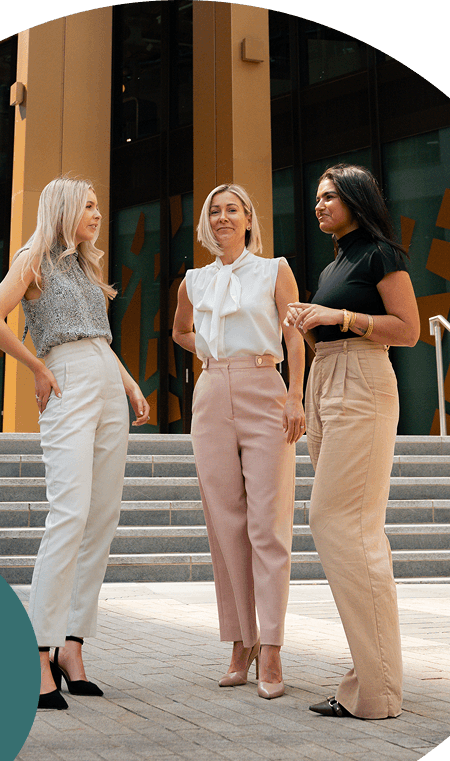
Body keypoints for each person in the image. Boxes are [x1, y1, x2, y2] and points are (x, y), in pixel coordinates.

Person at [0, 176, 149, 710]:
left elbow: (96, 337)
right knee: (69, 514)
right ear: (66, 208)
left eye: (99, 204)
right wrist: (36, 368)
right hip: (67, 377)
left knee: (101, 517)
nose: (98, 214)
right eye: (90, 205)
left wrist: (129, 383)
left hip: (103, 375)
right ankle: (36, 653)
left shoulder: (80, 265)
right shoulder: (34, 257)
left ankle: (72, 646)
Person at [285, 163, 419, 719]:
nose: (319, 204)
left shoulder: (380, 254)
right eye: (316, 197)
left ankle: (379, 690)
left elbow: (408, 329)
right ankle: (365, 679)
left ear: (356, 199)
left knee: (340, 524)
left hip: (361, 381)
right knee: (350, 530)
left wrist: (337, 314)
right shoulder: (337, 261)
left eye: (330, 196)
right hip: (328, 380)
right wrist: (308, 321)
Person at [173, 183, 306, 700]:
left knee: (268, 523)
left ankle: (270, 645)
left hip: (264, 388)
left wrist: (295, 397)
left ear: (249, 219)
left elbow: (294, 334)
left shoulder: (275, 270)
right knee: (223, 524)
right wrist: (207, 349)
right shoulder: (193, 281)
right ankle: (239, 641)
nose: (223, 217)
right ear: (207, 223)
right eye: (215, 211)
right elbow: (182, 330)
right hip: (211, 393)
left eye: (233, 210)